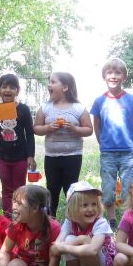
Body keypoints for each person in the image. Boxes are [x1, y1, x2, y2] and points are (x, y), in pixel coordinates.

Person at [34, 72, 93, 215]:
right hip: (51, 157)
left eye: (53, 82)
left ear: (65, 87)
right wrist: (48, 128)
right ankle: (50, 221)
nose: (49, 85)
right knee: (52, 189)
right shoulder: (45, 108)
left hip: (72, 156)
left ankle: (73, 220)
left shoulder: (78, 108)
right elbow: (36, 128)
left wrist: (74, 129)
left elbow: (89, 129)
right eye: (49, 82)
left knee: (71, 189)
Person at [90, 58, 133, 228]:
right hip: (108, 153)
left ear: (124, 77)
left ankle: (127, 219)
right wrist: (102, 142)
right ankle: (111, 219)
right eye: (110, 73)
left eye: (117, 73)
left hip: (127, 152)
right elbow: (96, 125)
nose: (113, 76)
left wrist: (131, 143)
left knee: (128, 187)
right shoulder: (99, 101)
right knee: (108, 186)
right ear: (104, 76)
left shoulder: (131, 100)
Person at [51, 181, 116, 266]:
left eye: (94, 204)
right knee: (71, 238)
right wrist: (67, 243)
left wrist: (65, 246)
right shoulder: (70, 222)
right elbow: (57, 245)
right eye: (85, 205)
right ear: (72, 208)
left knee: (84, 241)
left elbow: (92, 250)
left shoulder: (100, 223)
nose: (91, 209)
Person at [0, 73, 36, 219]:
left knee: (20, 189)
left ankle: (20, 217)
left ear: (17, 90)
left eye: (12, 87)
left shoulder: (24, 109)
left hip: (20, 157)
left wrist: (30, 156)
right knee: (6, 190)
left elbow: (30, 134)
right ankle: (8, 219)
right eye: (4, 87)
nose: (7, 90)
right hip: (2, 157)